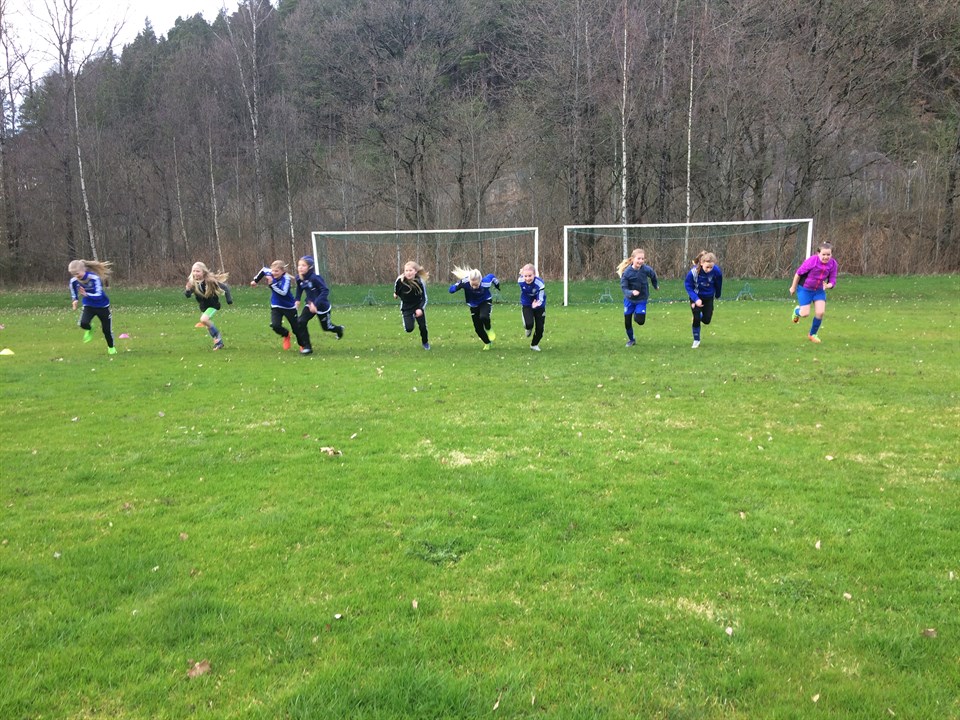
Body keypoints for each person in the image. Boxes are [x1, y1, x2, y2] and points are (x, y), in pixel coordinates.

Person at [251, 260, 310, 352]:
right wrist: (255, 281)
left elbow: (283, 292)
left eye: (277, 271)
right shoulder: (270, 272)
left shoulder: (286, 279)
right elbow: (263, 270)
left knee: (296, 328)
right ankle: (286, 334)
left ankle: (303, 345)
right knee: (275, 325)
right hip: (276, 306)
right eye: (273, 271)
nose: (274, 273)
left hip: (289, 307)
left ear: (283, 271)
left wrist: (272, 284)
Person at [789, 242, 838, 344]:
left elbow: (832, 280)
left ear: (831, 254)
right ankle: (797, 311)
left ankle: (812, 334)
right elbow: (798, 273)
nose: (826, 257)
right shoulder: (812, 261)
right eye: (823, 254)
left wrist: (828, 285)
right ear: (818, 253)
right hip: (805, 289)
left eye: (828, 254)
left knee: (820, 312)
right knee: (805, 314)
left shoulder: (833, 264)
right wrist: (793, 287)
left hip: (819, 291)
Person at [294, 255, 344, 353]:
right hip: (309, 305)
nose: (300, 267)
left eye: (303, 265)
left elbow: (325, 290)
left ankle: (339, 329)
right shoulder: (299, 278)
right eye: (299, 265)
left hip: (322, 306)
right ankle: (307, 347)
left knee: (326, 327)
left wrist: (315, 304)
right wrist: (297, 299)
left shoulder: (315, 278)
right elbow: (300, 287)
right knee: (301, 322)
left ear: (310, 267)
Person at [68, 259, 116, 355]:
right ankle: (90, 329)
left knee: (106, 330)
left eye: (77, 273)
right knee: (83, 323)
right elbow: (74, 292)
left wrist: (86, 294)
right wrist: (75, 300)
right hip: (89, 306)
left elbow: (99, 295)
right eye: (73, 274)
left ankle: (111, 348)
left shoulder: (94, 278)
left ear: (83, 270)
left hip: (102, 306)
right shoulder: (73, 281)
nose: (76, 276)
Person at [449, 265, 500, 349]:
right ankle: (487, 343)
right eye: (472, 285)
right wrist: (455, 288)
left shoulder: (486, 282)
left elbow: (492, 277)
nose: (474, 287)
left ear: (480, 280)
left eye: (476, 285)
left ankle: (488, 328)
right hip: (473, 305)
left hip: (485, 301)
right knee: (478, 329)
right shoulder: (465, 282)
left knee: (484, 316)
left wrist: (497, 285)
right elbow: (451, 289)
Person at [616, 248, 659, 347]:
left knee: (640, 321)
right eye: (638, 258)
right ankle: (631, 340)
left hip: (641, 299)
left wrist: (655, 285)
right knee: (627, 322)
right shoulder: (627, 273)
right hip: (629, 300)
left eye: (642, 259)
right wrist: (631, 292)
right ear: (632, 259)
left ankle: (637, 313)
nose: (641, 261)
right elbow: (624, 288)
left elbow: (653, 276)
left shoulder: (646, 269)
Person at [185, 262, 232, 351]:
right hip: (204, 307)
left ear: (203, 272)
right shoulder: (192, 283)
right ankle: (218, 343)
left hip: (213, 305)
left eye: (198, 271)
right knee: (207, 325)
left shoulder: (209, 281)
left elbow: (225, 288)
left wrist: (229, 300)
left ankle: (218, 335)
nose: (195, 273)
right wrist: (187, 290)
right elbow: (188, 295)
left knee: (203, 320)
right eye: (194, 271)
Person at [684, 251, 723, 349]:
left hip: (708, 297)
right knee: (696, 317)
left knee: (707, 320)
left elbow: (718, 283)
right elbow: (688, 286)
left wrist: (718, 294)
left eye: (711, 267)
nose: (709, 270)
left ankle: (700, 316)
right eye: (707, 267)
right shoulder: (693, 272)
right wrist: (696, 299)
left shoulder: (717, 271)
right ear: (701, 263)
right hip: (696, 297)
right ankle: (696, 340)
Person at [394, 260, 431, 349]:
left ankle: (425, 343)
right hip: (406, 307)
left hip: (418, 306)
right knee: (409, 329)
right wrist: (395, 294)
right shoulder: (400, 280)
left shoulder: (420, 282)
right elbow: (397, 290)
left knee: (423, 327)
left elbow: (424, 298)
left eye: (410, 270)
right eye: (406, 271)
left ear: (415, 272)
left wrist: (420, 309)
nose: (408, 273)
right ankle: (410, 319)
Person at [517, 263, 546, 351]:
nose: (527, 278)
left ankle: (534, 345)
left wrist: (537, 303)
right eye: (525, 276)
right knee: (529, 324)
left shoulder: (540, 284)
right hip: (527, 304)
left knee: (540, 328)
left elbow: (541, 297)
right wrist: (522, 272)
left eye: (530, 276)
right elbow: (522, 276)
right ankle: (528, 328)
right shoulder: (520, 281)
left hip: (539, 305)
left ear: (534, 275)